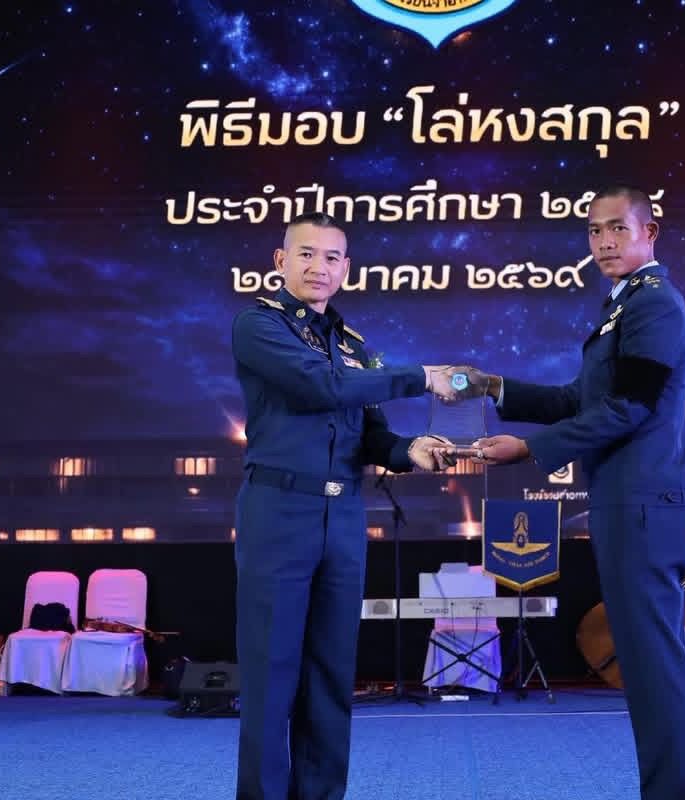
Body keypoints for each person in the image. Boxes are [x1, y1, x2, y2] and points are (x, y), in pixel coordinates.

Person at [466, 185, 685, 800]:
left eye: (617, 228)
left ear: (650, 232)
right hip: (628, 500)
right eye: (594, 231)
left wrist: (529, 450)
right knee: (646, 665)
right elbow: (580, 400)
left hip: (644, 502)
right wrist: (493, 387)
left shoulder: (654, 304)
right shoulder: (623, 305)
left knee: (653, 666)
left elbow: (629, 408)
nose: (604, 241)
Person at [230, 212, 458, 800]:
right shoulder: (259, 325)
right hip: (279, 511)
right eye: (306, 254)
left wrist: (412, 451)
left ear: (346, 268)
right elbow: (320, 388)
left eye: (331, 257)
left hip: (344, 518)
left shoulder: (356, 346)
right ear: (281, 261)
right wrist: (420, 377)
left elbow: (374, 438)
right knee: (271, 673)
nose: (318, 267)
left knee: (332, 672)